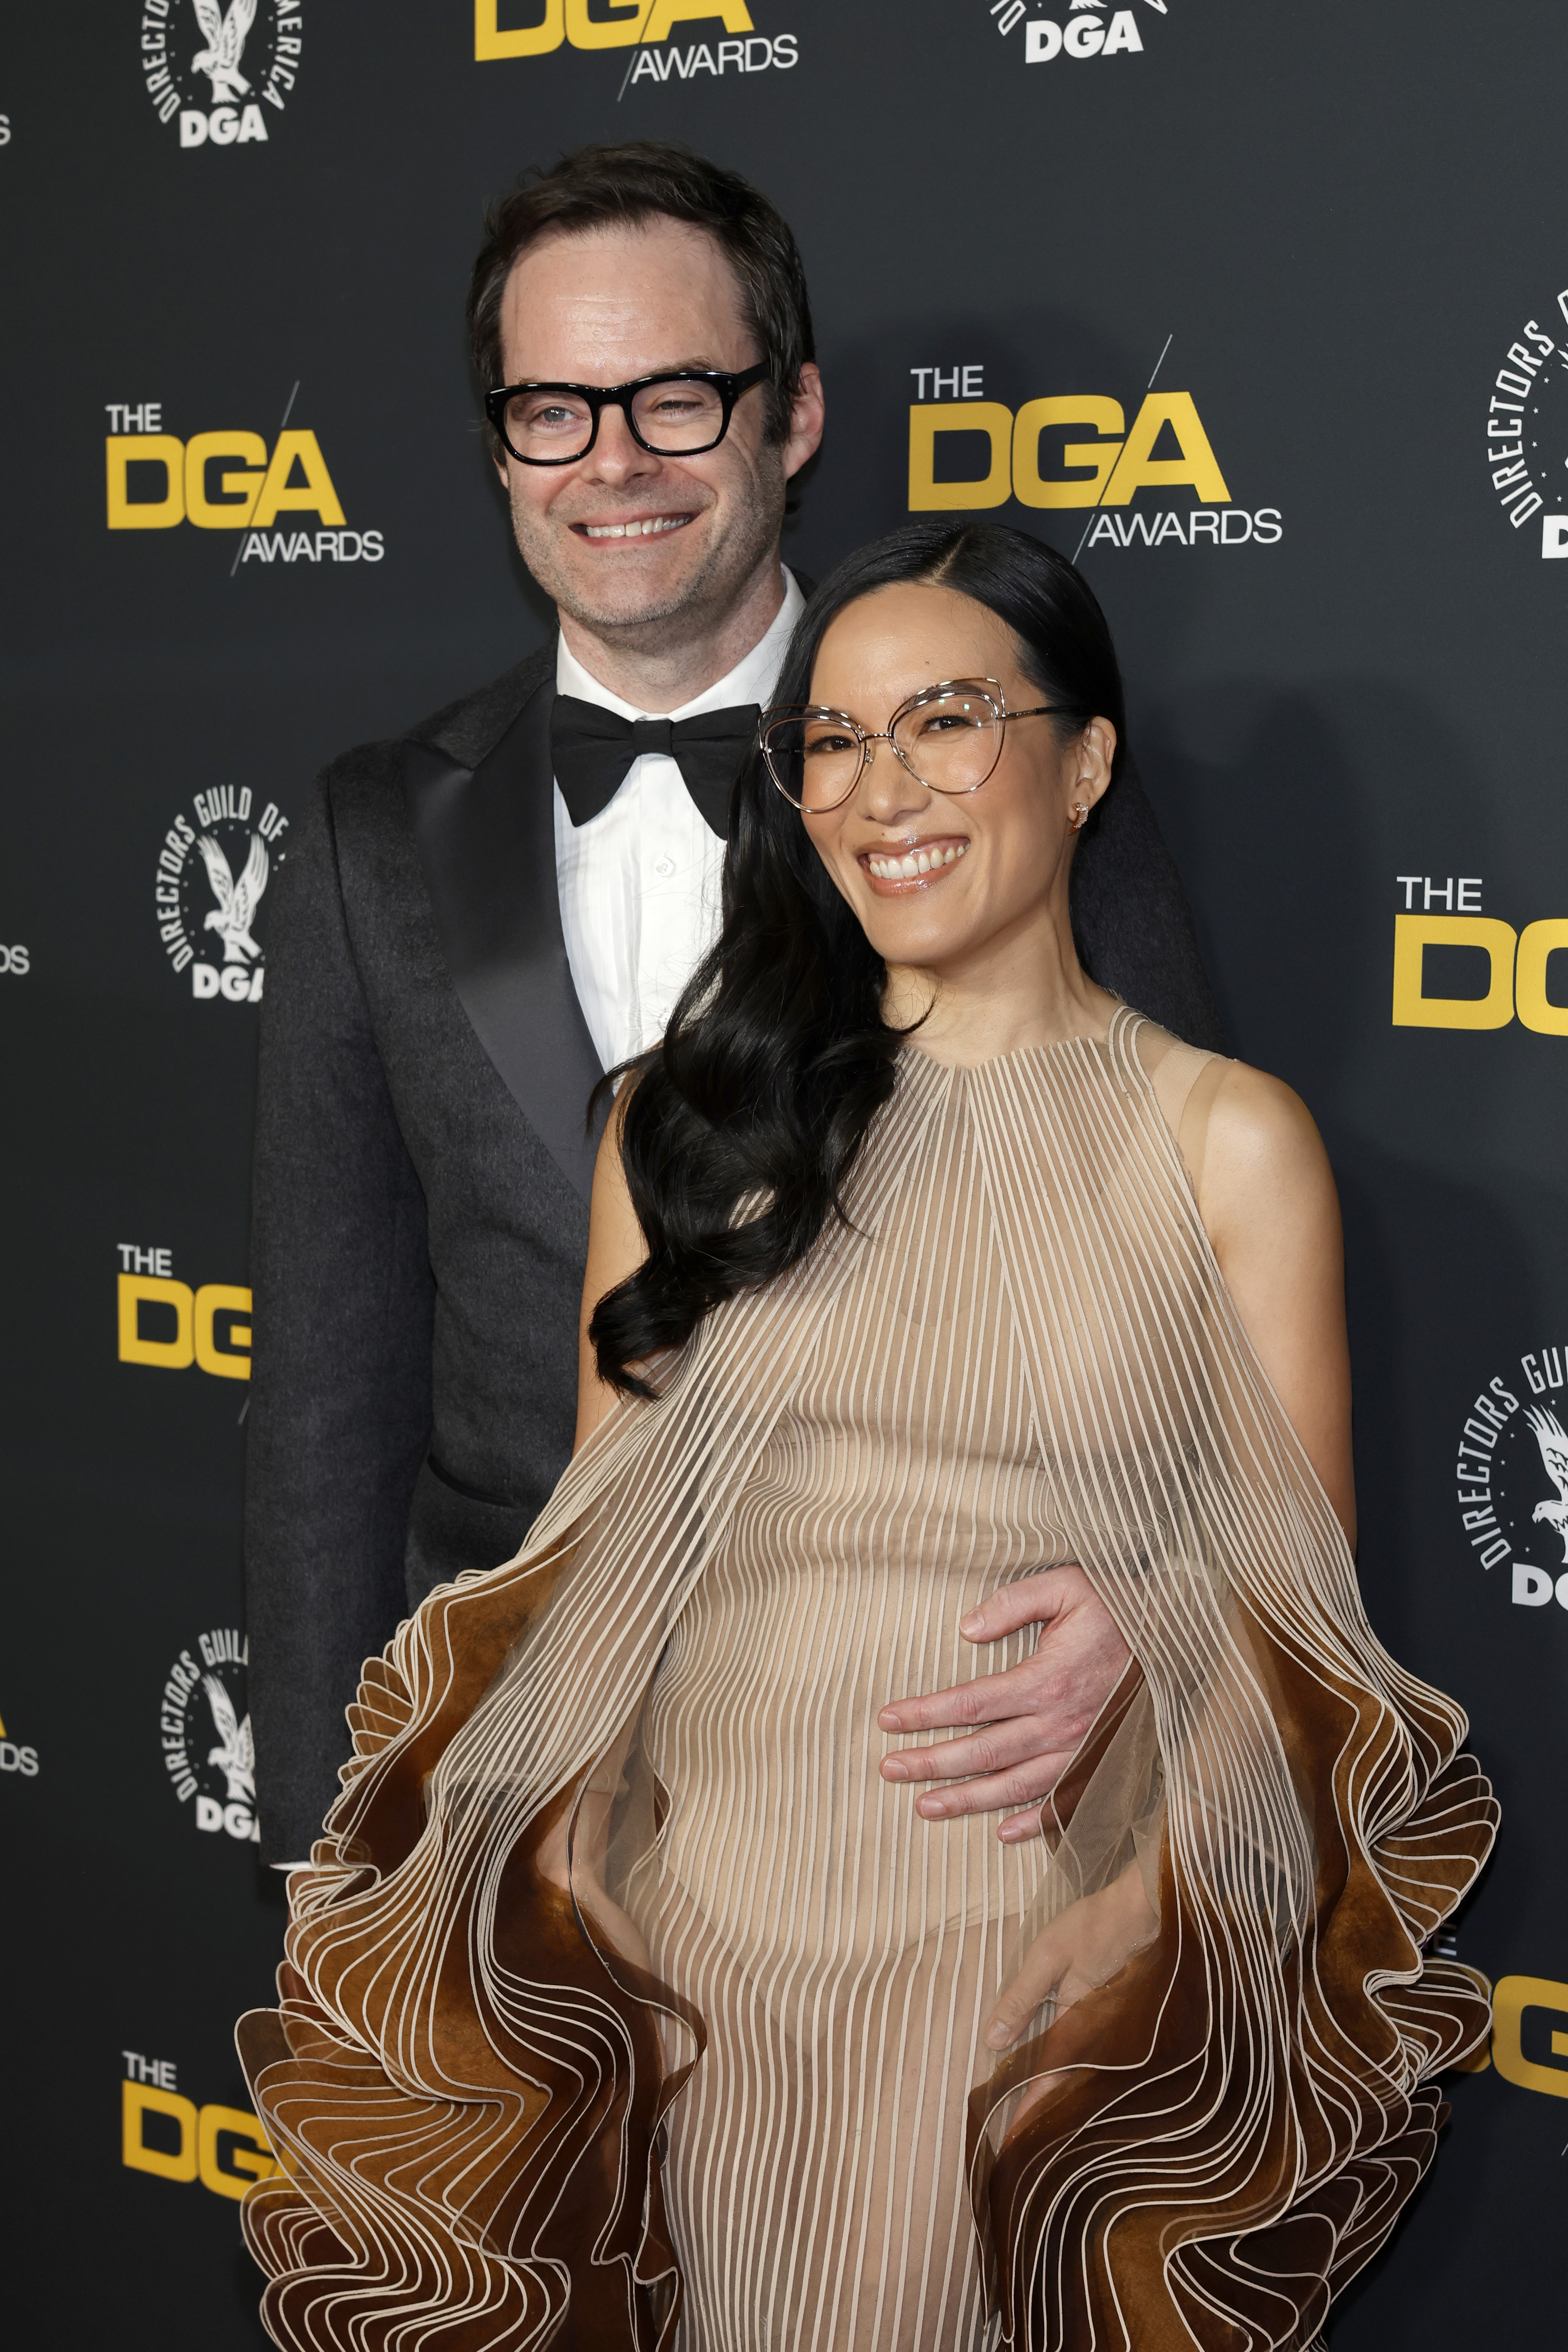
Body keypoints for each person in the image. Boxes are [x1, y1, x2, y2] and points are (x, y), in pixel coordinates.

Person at [239, 520, 1495, 2352]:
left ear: (1082, 761)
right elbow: (585, 1579)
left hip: (1007, 1953)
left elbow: (1300, 1623)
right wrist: (567, 1888)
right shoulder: (680, 1126)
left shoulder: (1229, 1144)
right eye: (829, 738)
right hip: (689, 1948)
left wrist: (1145, 1903)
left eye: (945, 721)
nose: (878, 789)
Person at [244, 143, 1223, 1867]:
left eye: (677, 396)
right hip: (518, 1764)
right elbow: (333, 1373)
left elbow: (1187, 1254)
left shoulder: (1006, 769)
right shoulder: (363, 835)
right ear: (498, 443)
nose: (611, 459)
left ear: (794, 416)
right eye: (551, 404)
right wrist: (330, 1851)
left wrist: (1151, 1592)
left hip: (944, 1751)